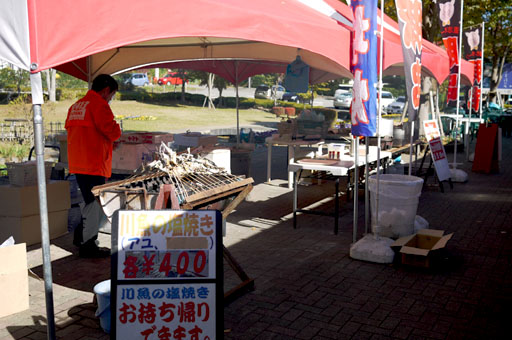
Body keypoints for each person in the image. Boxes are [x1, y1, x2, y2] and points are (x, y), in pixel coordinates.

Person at [65, 74, 121, 258]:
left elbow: (83, 132)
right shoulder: (99, 105)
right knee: (95, 203)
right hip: (93, 163)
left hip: (78, 162)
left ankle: (80, 237)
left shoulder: (76, 106)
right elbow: (112, 131)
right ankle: (88, 245)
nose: (110, 99)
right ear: (105, 91)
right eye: (111, 95)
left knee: (90, 201)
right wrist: (117, 131)